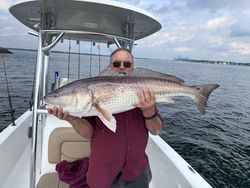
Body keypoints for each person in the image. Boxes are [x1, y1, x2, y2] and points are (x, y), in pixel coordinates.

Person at [48, 47, 163, 188]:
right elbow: (88, 133)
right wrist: (71, 118)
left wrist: (149, 111)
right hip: (104, 174)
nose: (121, 67)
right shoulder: (92, 91)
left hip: (138, 172)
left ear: (132, 68)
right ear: (110, 66)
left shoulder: (145, 92)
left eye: (127, 64)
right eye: (116, 64)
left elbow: (156, 131)